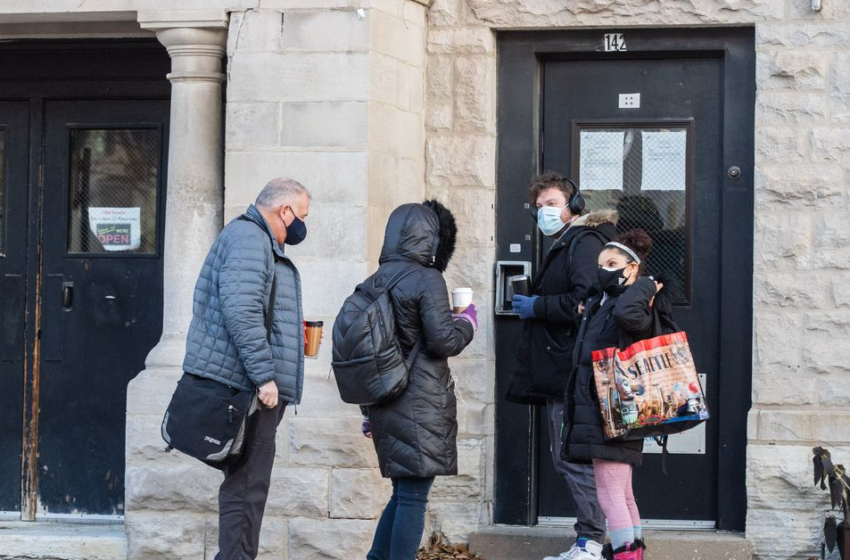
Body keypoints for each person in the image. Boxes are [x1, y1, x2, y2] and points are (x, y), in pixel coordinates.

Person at [181, 177, 312, 560]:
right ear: (284, 210)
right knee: (247, 487)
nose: (303, 225)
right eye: (302, 216)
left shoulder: (254, 240)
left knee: (246, 486)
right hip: (248, 389)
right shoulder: (250, 240)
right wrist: (265, 377)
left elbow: (251, 308)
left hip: (248, 384)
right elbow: (241, 312)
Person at [507, 172, 617, 560]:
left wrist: (537, 306)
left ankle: (591, 541)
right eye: (539, 207)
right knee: (577, 456)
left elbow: (587, 302)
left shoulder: (583, 243)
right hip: (566, 369)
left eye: (551, 204)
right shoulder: (570, 243)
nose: (544, 213)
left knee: (573, 456)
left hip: (572, 371)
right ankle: (598, 540)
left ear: (574, 206)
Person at [360, 200, 477, 560]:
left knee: (402, 493)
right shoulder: (427, 278)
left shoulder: (373, 281)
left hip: (384, 399)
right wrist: (468, 321)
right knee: (413, 496)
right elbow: (444, 340)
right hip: (419, 401)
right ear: (430, 240)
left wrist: (368, 410)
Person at [562, 230, 676, 560]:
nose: (604, 270)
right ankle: (632, 555)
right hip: (602, 412)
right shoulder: (604, 303)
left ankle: (627, 557)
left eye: (612, 264)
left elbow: (629, 317)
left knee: (610, 494)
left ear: (633, 268)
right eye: (601, 264)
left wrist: (645, 283)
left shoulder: (635, 303)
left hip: (614, 412)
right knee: (622, 494)